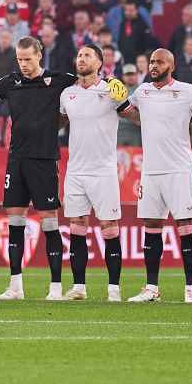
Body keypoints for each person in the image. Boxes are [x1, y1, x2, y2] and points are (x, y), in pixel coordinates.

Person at [0, 35, 77, 300]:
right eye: (20, 60)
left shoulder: (59, 79)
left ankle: (55, 287)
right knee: (15, 222)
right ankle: (15, 286)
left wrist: (110, 83)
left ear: (39, 55)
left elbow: (86, 83)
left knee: (50, 223)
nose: (24, 65)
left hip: (44, 159)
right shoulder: (11, 82)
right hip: (16, 159)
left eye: (28, 59)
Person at [119, 48, 192, 303]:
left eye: (159, 62)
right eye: (152, 62)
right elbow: (132, 114)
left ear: (172, 65)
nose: (154, 66)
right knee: (152, 227)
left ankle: (191, 288)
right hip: (151, 170)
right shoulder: (142, 92)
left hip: (179, 169)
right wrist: (119, 102)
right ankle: (151, 288)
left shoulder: (188, 92)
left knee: (185, 227)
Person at [59, 45, 132, 302]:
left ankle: (114, 289)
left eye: (87, 55)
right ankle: (79, 287)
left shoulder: (111, 90)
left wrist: (124, 99)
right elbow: (60, 122)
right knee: (77, 226)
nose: (81, 59)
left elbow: (134, 116)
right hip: (76, 170)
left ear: (100, 62)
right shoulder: (67, 93)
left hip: (103, 171)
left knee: (109, 228)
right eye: (79, 55)